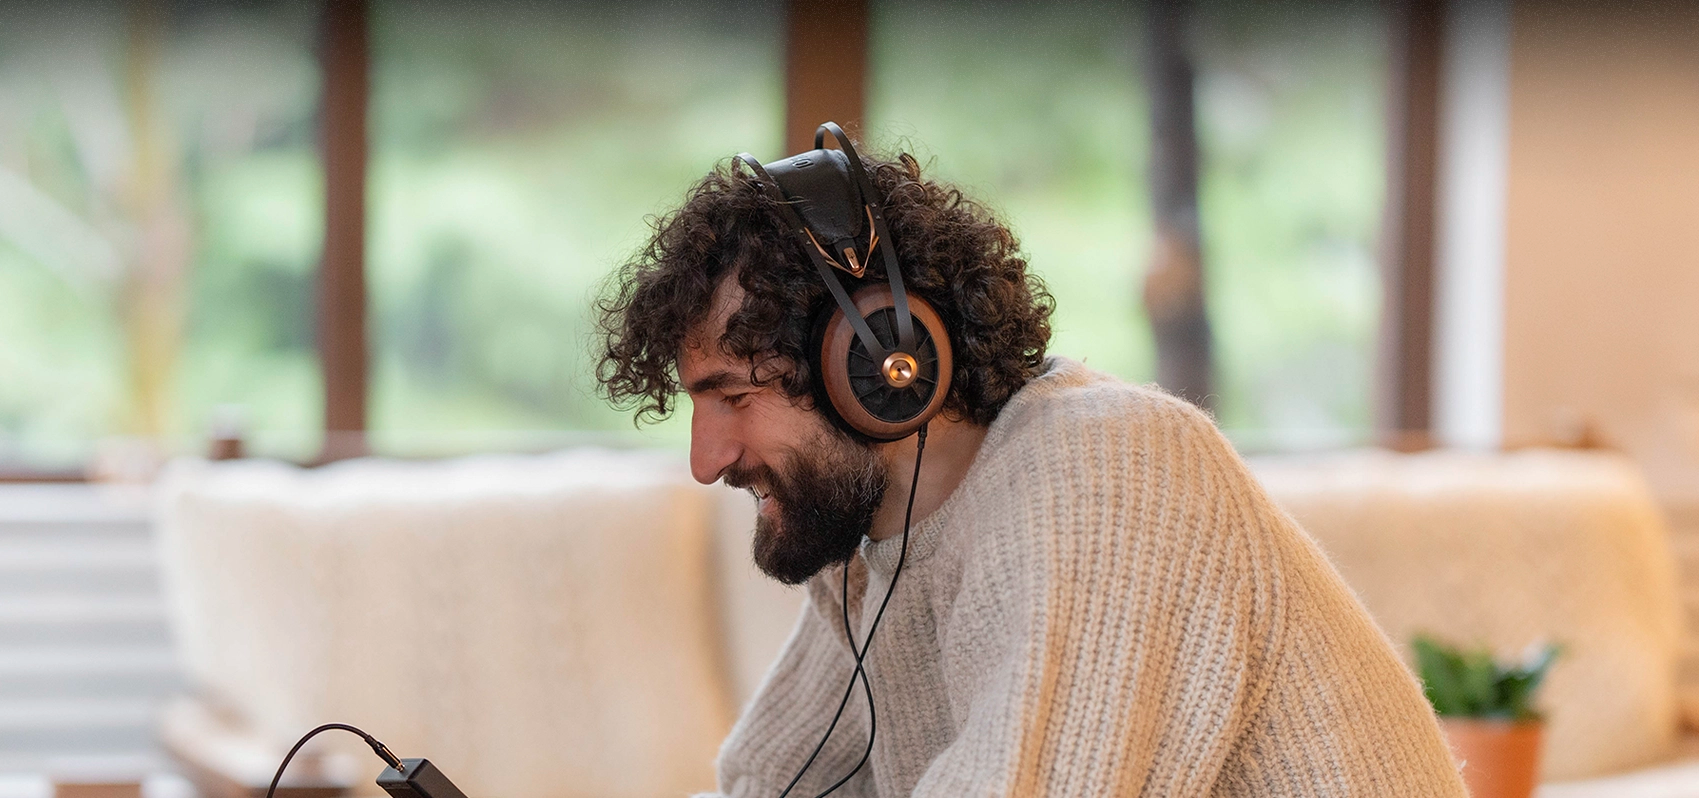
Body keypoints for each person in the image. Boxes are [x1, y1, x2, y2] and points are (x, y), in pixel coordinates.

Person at [592, 131, 1468, 798]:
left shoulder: (1108, 466)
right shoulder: (874, 542)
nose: (708, 461)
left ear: (879, 364)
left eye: (735, 397)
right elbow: (763, 783)